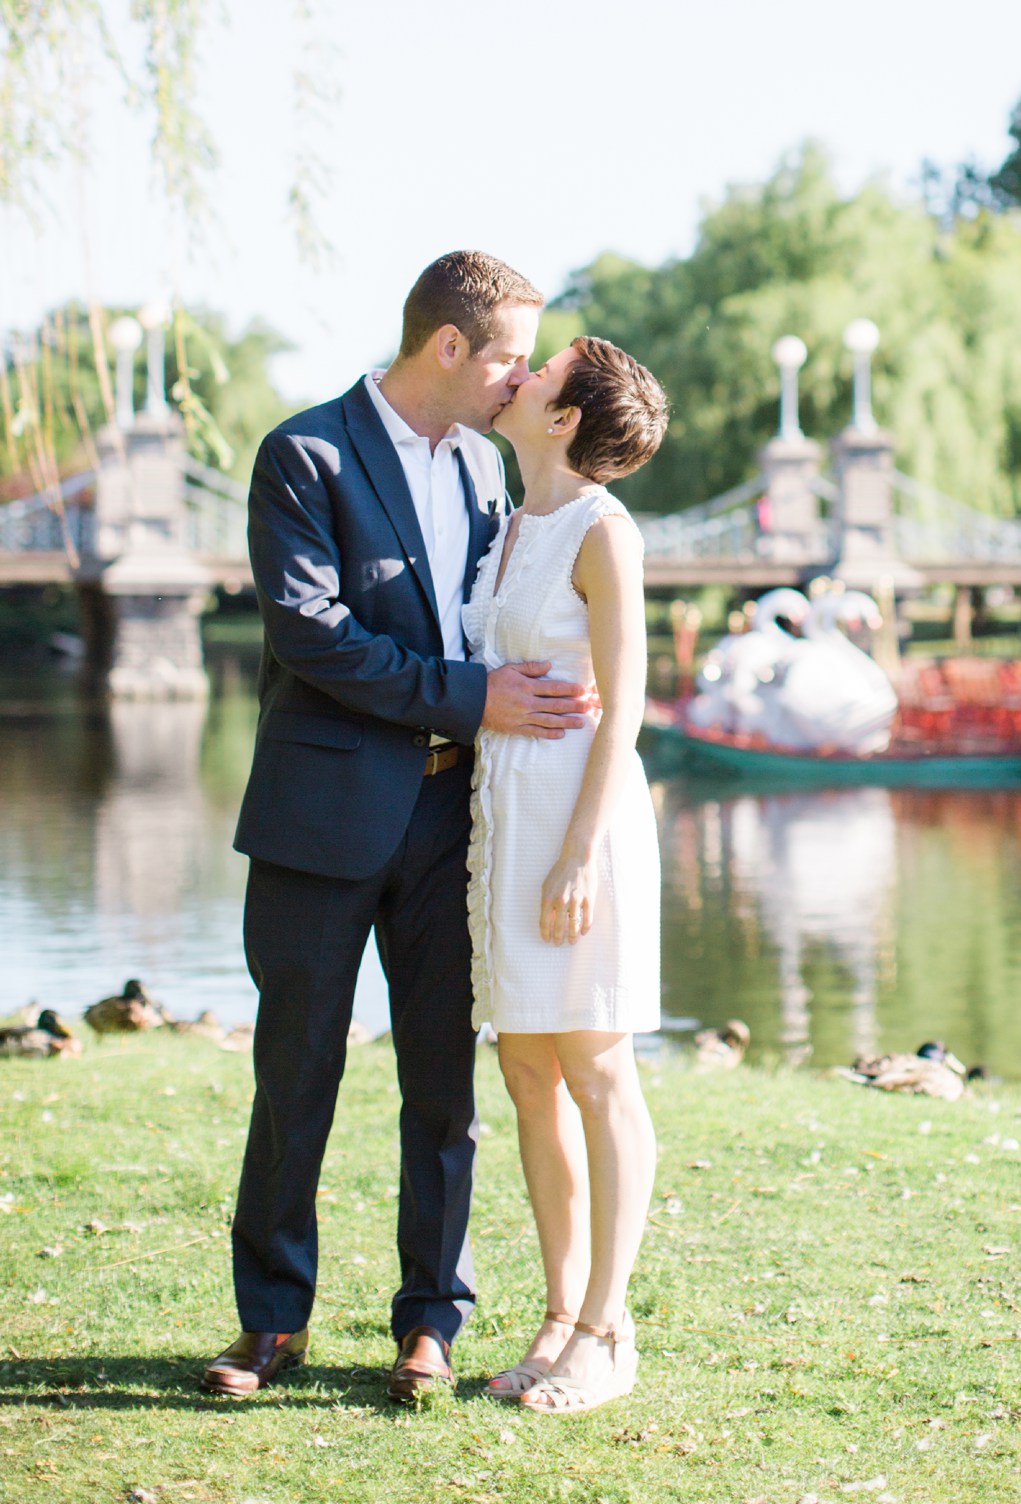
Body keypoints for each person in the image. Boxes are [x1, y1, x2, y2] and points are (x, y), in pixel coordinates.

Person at [201, 251, 595, 1405]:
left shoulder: (488, 470)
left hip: (449, 820)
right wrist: (474, 697)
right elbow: (313, 635)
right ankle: (271, 1322)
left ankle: (431, 1319)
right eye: (514, 352)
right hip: (319, 819)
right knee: (297, 1074)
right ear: (450, 347)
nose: (523, 375)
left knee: (443, 1085)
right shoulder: (304, 454)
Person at [464, 335, 668, 1414]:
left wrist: (581, 850)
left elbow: (625, 704)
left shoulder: (602, 529)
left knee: (596, 1064)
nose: (522, 369)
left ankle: (607, 1325)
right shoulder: (511, 525)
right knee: (527, 1071)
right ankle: (556, 1309)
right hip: (506, 814)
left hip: (577, 826)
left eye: (544, 369)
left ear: (563, 419)